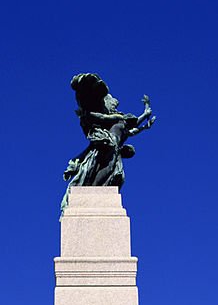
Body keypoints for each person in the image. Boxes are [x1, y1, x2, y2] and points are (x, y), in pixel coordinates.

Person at [61, 73, 155, 210]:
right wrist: (117, 117)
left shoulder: (122, 124)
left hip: (114, 150)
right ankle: (92, 192)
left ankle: (97, 190)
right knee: (96, 168)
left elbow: (133, 128)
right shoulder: (109, 119)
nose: (115, 105)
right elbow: (102, 118)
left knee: (112, 171)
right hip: (106, 144)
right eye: (112, 103)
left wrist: (146, 118)